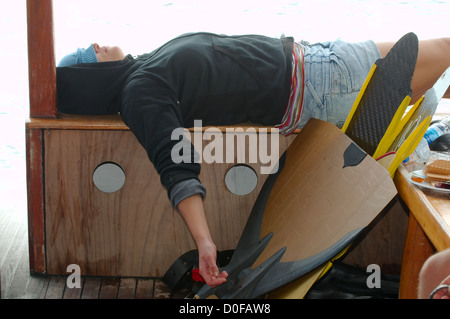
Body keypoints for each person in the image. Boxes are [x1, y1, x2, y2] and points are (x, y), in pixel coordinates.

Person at [57, 32, 450, 288]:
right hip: (320, 83)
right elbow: (174, 163)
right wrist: (204, 241)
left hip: (315, 59)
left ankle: (428, 137)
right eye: (87, 55)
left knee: (433, 82)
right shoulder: (139, 92)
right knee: (444, 51)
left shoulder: (144, 67)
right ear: (92, 78)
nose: (96, 45)